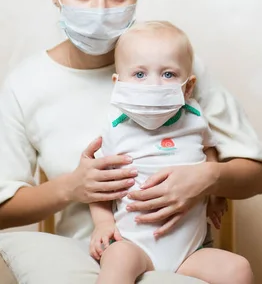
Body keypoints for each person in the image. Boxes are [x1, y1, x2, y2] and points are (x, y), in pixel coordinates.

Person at [0, 0, 262, 283]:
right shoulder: (27, 85)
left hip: (185, 260)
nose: (99, 10)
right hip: (96, 261)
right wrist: (72, 187)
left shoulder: (175, 69)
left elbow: (255, 177)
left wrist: (208, 177)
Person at [90, 20, 245, 283]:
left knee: (238, 269)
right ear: (118, 83)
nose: (154, 85)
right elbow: (98, 184)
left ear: (187, 87)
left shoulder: (195, 117)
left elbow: (209, 152)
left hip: (190, 252)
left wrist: (216, 195)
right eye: (139, 75)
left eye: (168, 74)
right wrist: (103, 223)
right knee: (117, 262)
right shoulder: (116, 126)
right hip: (134, 244)